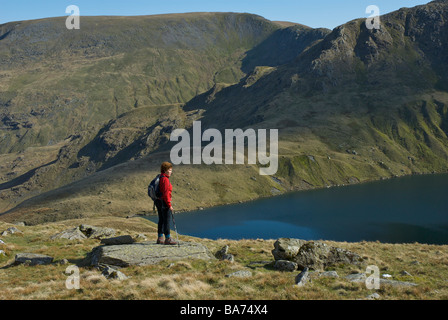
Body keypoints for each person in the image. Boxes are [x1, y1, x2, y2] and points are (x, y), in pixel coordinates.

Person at [155, 162, 177, 245]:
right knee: (167, 220)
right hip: (164, 202)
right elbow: (166, 194)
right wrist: (169, 205)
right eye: (170, 170)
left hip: (158, 201)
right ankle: (168, 238)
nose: (171, 172)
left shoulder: (160, 177)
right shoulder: (165, 179)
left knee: (161, 219)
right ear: (165, 170)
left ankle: (160, 238)